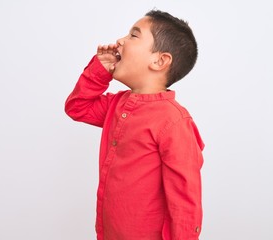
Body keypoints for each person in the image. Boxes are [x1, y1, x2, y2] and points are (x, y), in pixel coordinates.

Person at [65, 9, 204, 240]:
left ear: (159, 60)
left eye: (133, 36)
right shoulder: (117, 105)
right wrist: (100, 70)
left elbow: (184, 202)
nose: (120, 41)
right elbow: (77, 107)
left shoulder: (174, 122)